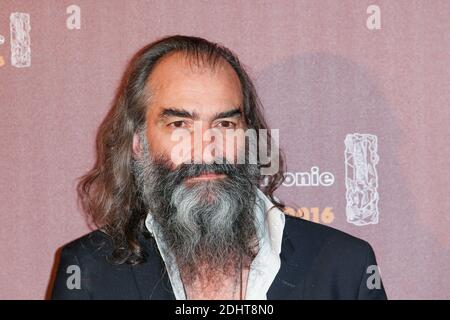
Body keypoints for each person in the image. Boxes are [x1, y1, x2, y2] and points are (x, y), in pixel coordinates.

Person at [51, 35, 387, 300]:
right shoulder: (89, 272)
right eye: (180, 124)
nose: (207, 149)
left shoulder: (345, 267)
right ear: (139, 142)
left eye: (225, 125)